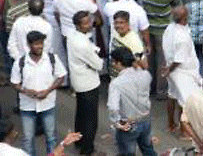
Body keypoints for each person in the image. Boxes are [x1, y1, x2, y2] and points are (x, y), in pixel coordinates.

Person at [10, 30, 66, 156]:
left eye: (41, 43)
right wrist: (25, 91)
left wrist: (48, 91)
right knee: (28, 139)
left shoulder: (52, 59)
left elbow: (61, 76)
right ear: (29, 45)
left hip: (48, 104)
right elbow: (14, 83)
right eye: (36, 44)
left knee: (51, 137)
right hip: (27, 106)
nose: (40, 46)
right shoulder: (20, 62)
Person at [65, 10, 103, 156]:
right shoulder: (82, 44)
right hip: (88, 83)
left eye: (89, 20)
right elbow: (98, 65)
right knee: (90, 120)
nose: (90, 24)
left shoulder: (72, 36)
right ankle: (88, 149)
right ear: (78, 25)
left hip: (78, 81)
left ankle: (79, 141)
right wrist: (96, 56)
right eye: (86, 23)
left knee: (81, 115)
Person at [107, 46, 157, 156]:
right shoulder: (145, 75)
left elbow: (113, 107)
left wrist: (117, 122)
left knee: (127, 153)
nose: (112, 64)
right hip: (145, 119)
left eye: (113, 62)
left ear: (119, 63)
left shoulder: (116, 83)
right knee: (148, 149)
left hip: (129, 123)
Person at [162, 5, 203, 133]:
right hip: (182, 71)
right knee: (185, 101)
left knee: (172, 95)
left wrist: (168, 68)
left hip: (172, 68)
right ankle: (184, 132)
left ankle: (170, 124)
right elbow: (179, 60)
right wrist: (170, 69)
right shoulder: (182, 37)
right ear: (184, 19)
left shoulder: (170, 28)